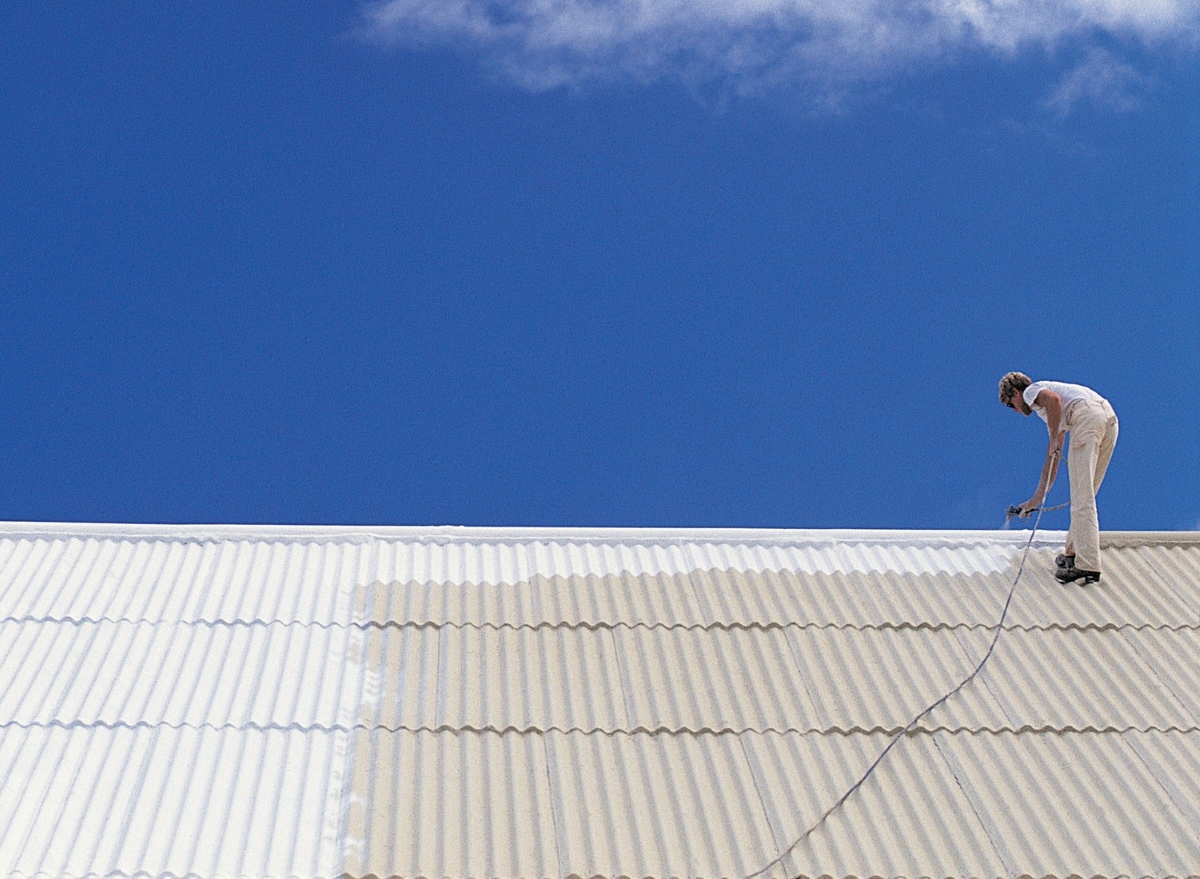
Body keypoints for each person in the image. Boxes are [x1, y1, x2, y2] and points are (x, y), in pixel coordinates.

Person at [998, 373, 1119, 584]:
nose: (1016, 411)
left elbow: (1052, 400)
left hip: (1086, 418)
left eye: (1012, 405)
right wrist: (1036, 499)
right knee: (1085, 494)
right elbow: (1053, 457)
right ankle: (1072, 552)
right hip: (1107, 419)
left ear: (1016, 393)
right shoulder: (1052, 413)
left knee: (1082, 498)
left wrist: (1054, 437)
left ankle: (1088, 565)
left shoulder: (1031, 392)